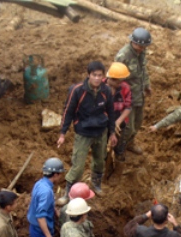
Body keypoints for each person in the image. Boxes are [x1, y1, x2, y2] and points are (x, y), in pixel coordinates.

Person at [56, 61, 117, 203]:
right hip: (83, 132)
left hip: (101, 131)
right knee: (78, 165)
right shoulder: (77, 90)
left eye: (100, 75)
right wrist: (62, 133)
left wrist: (112, 132)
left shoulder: (106, 91)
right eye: (94, 75)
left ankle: (96, 185)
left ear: (103, 77)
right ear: (88, 75)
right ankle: (68, 193)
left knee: (99, 161)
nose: (97, 78)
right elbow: (68, 111)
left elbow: (111, 112)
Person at [115, 27, 152, 156]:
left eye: (144, 47)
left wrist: (147, 85)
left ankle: (130, 143)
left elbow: (143, 71)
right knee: (127, 127)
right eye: (140, 46)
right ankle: (119, 148)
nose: (142, 49)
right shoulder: (123, 56)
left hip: (139, 95)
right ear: (133, 42)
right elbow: (116, 79)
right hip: (127, 98)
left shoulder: (141, 53)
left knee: (137, 123)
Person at [27, 157, 66, 237]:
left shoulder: (39, 184)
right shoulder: (46, 192)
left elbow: (41, 204)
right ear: (55, 174)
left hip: (34, 229)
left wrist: (54, 210)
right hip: (41, 232)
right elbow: (40, 216)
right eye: (59, 174)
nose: (60, 177)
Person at [103, 62, 132, 166]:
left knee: (119, 141)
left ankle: (118, 155)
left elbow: (128, 107)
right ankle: (103, 160)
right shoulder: (100, 87)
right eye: (119, 81)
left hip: (119, 120)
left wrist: (118, 122)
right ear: (111, 79)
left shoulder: (125, 88)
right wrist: (111, 126)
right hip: (103, 122)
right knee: (103, 145)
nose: (121, 83)